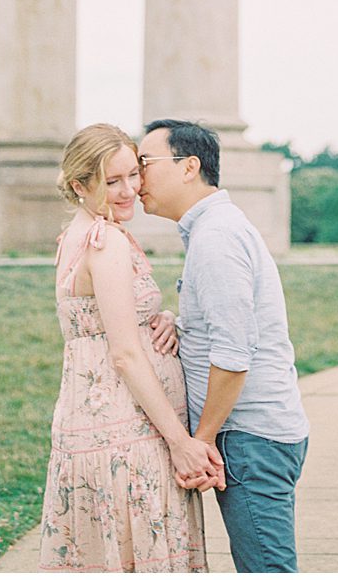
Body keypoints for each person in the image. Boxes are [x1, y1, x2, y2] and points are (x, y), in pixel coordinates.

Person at [39, 122, 223, 573]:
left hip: (92, 424)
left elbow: (104, 324)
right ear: (80, 185)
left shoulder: (78, 237)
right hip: (126, 432)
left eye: (132, 175)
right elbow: (122, 352)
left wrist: (159, 321)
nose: (128, 192)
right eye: (111, 181)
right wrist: (180, 443)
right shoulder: (106, 244)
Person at [137, 119, 310, 574]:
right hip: (253, 436)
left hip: (248, 439)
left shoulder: (216, 238)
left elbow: (235, 355)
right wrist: (180, 323)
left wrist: (203, 439)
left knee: (267, 571)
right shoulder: (213, 230)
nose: (136, 180)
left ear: (189, 166)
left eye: (145, 163)